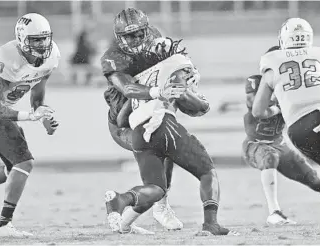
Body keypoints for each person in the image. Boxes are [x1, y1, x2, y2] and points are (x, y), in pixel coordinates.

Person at [105, 37, 237, 236]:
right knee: (207, 172)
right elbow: (187, 100)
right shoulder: (177, 64)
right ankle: (211, 223)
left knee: (156, 189)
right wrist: (203, 104)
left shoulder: (141, 77)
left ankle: (120, 199)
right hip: (163, 124)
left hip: (139, 134)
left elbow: (123, 118)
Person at [100, 8, 195, 232]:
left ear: (146, 30)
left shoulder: (154, 35)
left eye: (139, 34)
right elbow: (128, 88)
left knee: (163, 153)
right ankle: (159, 207)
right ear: (119, 38)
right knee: (160, 150)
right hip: (123, 122)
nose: (136, 40)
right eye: (128, 36)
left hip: (151, 111)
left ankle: (125, 222)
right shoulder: (112, 58)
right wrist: (157, 91)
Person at [0, 13, 60, 237]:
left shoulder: (52, 55)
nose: (41, 44)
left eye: (44, 38)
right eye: (35, 39)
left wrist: (42, 114)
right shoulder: (7, 56)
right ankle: (3, 225)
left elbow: (37, 97)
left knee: (13, 169)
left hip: (4, 112)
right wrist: (30, 116)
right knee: (24, 163)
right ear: (21, 38)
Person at [243, 58, 320, 226]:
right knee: (269, 156)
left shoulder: (289, 86)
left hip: (280, 144)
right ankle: (274, 212)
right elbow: (255, 106)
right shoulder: (257, 81)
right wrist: (280, 105)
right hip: (257, 143)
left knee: (315, 181)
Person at [252, 18, 320, 165]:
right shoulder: (317, 55)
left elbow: (258, 111)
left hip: (299, 131)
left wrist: (278, 108)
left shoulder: (273, 62)